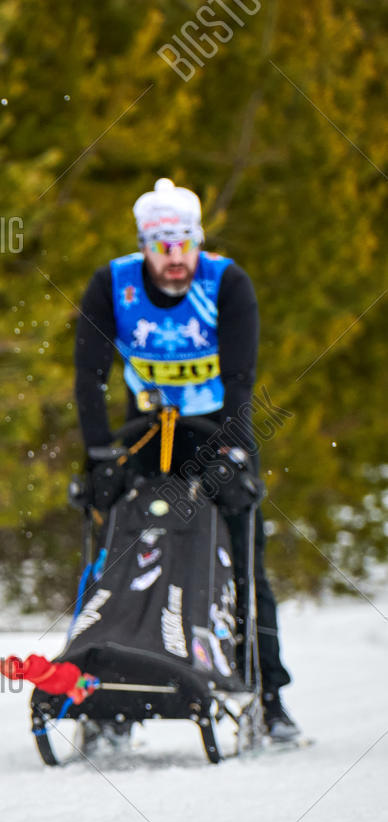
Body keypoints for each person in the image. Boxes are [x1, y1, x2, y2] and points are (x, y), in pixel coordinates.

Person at [72, 177, 299, 744]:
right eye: (162, 246)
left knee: (246, 560)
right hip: (144, 432)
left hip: (217, 429)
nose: (175, 259)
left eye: (184, 245)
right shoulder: (114, 283)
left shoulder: (226, 282)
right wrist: (99, 456)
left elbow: (241, 379)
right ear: (145, 245)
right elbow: (89, 376)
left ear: (198, 241)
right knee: (125, 554)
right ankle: (109, 699)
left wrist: (237, 452)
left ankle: (267, 696)